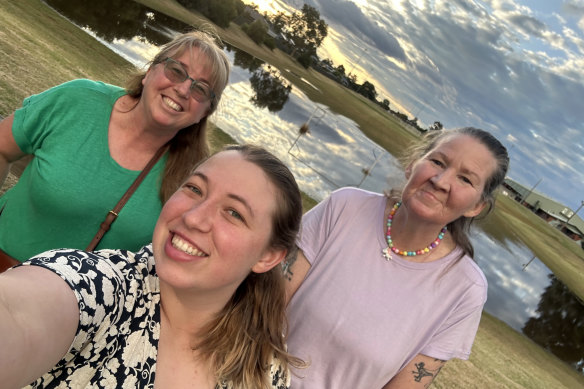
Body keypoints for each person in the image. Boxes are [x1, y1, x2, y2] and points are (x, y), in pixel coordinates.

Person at [0, 144, 305, 389]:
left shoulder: (266, 371)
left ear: (268, 257)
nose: (193, 218)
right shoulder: (100, 287)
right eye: (195, 189)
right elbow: (19, 313)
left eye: (234, 213)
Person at [284, 127, 510, 388]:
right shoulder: (345, 207)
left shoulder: (465, 289)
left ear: (476, 207)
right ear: (413, 164)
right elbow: (266, 309)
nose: (441, 181)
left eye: (465, 179)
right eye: (437, 161)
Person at [0, 29, 231, 269]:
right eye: (176, 71)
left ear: (204, 113)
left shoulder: (196, 178)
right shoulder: (78, 100)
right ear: (150, 71)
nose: (183, 90)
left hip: (71, 306)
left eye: (201, 90)